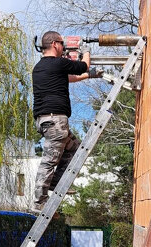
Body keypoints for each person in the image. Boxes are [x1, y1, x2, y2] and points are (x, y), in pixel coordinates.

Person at [32, 31, 103, 215]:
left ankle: (56, 182)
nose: (63, 47)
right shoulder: (58, 63)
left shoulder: (40, 67)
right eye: (62, 44)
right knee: (49, 161)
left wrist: (90, 76)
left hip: (46, 121)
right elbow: (82, 66)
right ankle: (39, 202)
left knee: (73, 148)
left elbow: (69, 78)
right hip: (56, 122)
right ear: (55, 44)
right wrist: (86, 50)